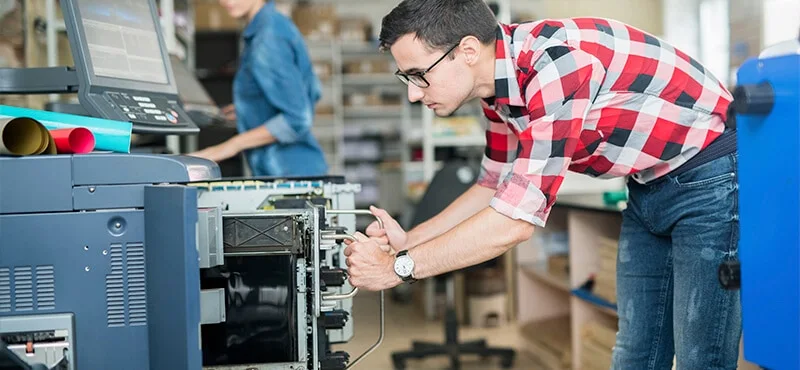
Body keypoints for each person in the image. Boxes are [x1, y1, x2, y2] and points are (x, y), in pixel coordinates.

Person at [343, 1, 740, 369]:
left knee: (699, 356)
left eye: (419, 75)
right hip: (647, 185)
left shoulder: (553, 66)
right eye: (405, 77)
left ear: (466, 51)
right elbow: (492, 184)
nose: (413, 94)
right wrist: (409, 239)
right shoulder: (496, 91)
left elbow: (514, 222)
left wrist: (397, 270)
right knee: (636, 351)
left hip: (710, 175)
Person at [190, 0, 328, 177]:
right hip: (297, 169)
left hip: (290, 173)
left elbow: (297, 118)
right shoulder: (273, 24)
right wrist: (251, 109)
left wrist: (228, 147)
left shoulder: (267, 37)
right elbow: (311, 90)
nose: (224, 2)